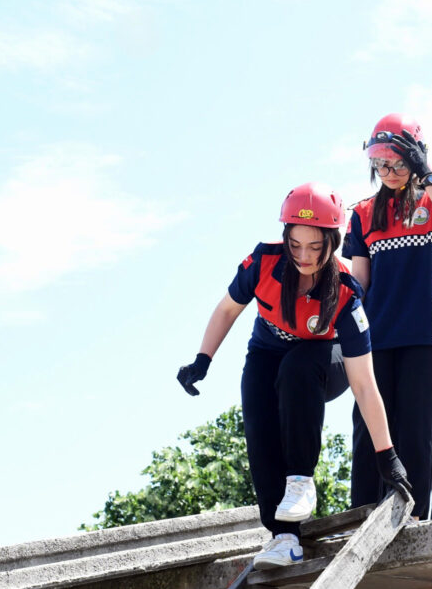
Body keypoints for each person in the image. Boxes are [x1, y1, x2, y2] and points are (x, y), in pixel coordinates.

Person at [176, 183, 411, 569]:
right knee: (259, 421)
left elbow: (365, 385)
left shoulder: (348, 294)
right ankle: (284, 537)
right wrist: (203, 360)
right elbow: (226, 310)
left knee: (299, 365)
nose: (303, 256)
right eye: (295, 244)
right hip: (267, 351)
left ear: (332, 243)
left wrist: (387, 455)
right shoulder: (264, 261)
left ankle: (301, 481)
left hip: (323, 362)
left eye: (315, 247)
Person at [344, 113, 432, 517]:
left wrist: (426, 172)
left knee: (415, 431)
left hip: (427, 333)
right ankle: (361, 514)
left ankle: (409, 516)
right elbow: (360, 277)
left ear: (414, 159)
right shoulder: (361, 213)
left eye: (397, 163)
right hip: (377, 334)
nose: (388, 172)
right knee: (367, 428)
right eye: (380, 164)